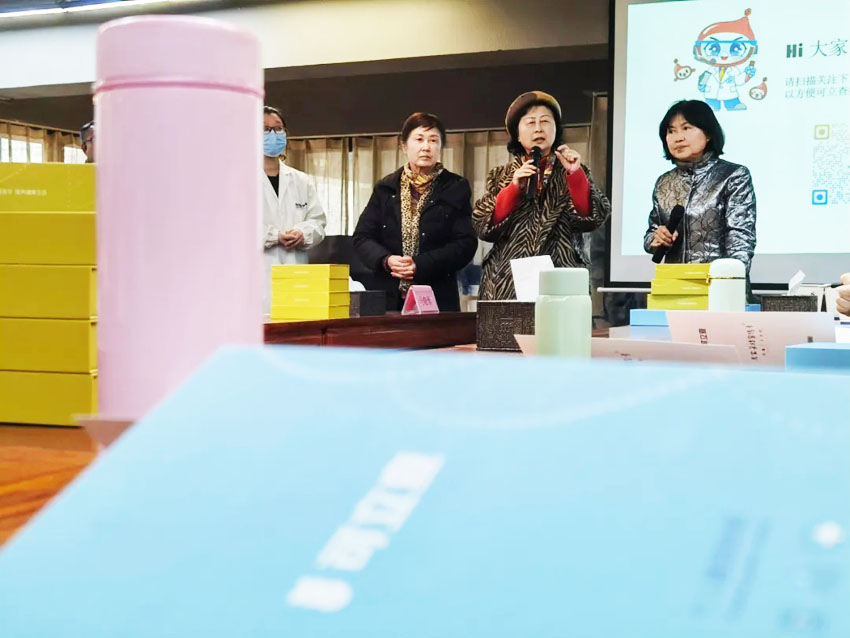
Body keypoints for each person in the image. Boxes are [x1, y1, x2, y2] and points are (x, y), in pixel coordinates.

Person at [472, 91, 610, 301]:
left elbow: (594, 218)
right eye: (530, 122)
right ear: (518, 134)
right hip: (507, 283)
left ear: (556, 129)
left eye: (545, 121)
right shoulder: (501, 175)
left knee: (558, 322)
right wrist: (513, 189)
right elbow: (481, 224)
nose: (538, 128)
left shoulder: (574, 169)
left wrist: (575, 176)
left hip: (560, 279)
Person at [353, 112, 477, 312]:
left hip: (438, 295)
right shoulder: (386, 188)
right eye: (419, 139)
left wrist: (420, 264)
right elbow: (362, 238)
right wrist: (386, 260)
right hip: (388, 297)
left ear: (440, 147)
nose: (426, 147)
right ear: (404, 146)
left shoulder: (456, 187)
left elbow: (466, 244)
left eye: (433, 140)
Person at [644, 100, 756, 273]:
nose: (678, 137)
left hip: (718, 282)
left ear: (708, 133)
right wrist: (657, 239)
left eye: (686, 128)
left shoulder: (733, 175)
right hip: (674, 282)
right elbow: (651, 233)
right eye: (671, 131)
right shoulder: (664, 182)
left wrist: (730, 279)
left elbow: (740, 238)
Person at [262, 106, 327, 312]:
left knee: (294, 323)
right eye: (265, 129)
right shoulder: (239, 179)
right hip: (256, 280)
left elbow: (318, 222)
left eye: (278, 128)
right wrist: (274, 236)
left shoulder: (301, 180)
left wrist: (302, 233)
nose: (273, 134)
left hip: (295, 276)